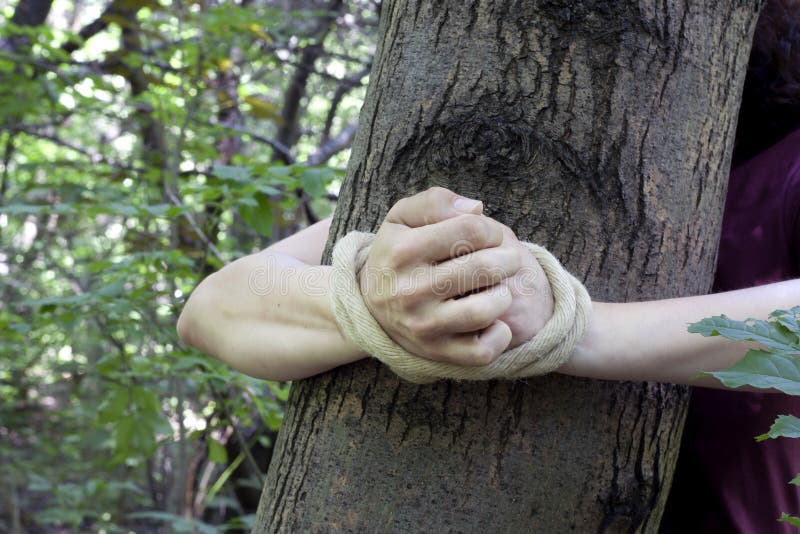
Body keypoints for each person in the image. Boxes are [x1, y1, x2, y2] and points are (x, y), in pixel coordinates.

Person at [177, 1, 800, 530]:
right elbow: (212, 309)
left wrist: (569, 323)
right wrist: (378, 300)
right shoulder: (458, 188)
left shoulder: (786, 168)